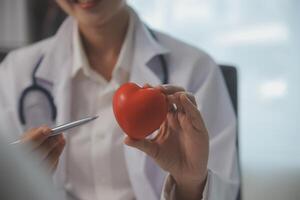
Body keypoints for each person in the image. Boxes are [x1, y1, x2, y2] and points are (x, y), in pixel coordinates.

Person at [0, 0, 240, 199]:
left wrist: (190, 182)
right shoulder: (14, 72)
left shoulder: (197, 70)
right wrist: (15, 177)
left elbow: (226, 193)